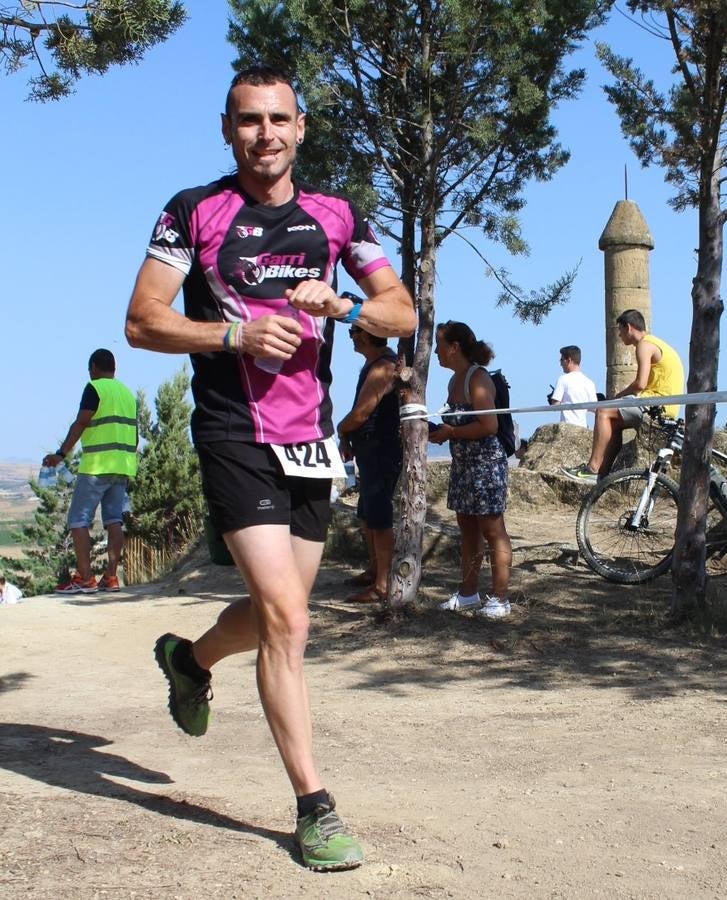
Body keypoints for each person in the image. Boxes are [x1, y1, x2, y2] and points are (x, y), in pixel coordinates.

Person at [124, 65, 416, 872]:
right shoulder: (194, 211)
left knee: (274, 612)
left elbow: (402, 312)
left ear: (300, 128)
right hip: (232, 431)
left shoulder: (336, 216)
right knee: (289, 618)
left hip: (309, 438)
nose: (265, 133)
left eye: (278, 119)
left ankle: (189, 660)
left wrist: (345, 307)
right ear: (228, 129)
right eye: (249, 120)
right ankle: (314, 806)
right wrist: (234, 337)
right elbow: (143, 320)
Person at [427, 321, 512, 619]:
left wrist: (451, 433)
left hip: (486, 466)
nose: (435, 351)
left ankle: (500, 598)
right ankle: (468, 593)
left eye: (439, 344)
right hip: (464, 466)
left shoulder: (477, 379)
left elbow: (489, 425)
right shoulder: (454, 382)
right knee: (468, 531)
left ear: (454, 347)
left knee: (492, 530)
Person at [43, 348, 138, 594]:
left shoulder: (94, 388)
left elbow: (82, 422)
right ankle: (111, 578)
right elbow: (134, 434)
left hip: (97, 466)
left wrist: (61, 454)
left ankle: (85, 578)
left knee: (78, 519)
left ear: (94, 368)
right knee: (114, 520)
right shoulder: (127, 394)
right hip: (123, 466)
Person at [561, 309, 684, 482]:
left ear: (628, 327)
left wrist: (616, 397)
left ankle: (593, 468)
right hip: (664, 405)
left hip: (656, 405)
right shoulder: (656, 343)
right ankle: (604, 475)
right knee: (614, 422)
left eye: (619, 330)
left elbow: (639, 384)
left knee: (603, 411)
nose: (619, 335)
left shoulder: (644, 345)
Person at [336, 324, 402, 603]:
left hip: (380, 450)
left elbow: (361, 413)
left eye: (353, 332)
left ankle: (383, 584)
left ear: (365, 335)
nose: (350, 337)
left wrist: (341, 429)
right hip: (370, 450)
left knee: (379, 517)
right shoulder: (376, 364)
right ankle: (375, 571)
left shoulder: (382, 367)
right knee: (367, 514)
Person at [548, 345, 598, 428]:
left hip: (567, 428)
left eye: (562, 359)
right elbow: (594, 409)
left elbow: (555, 406)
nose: (560, 363)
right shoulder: (590, 383)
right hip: (583, 428)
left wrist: (552, 399)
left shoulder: (563, 379)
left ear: (569, 360)